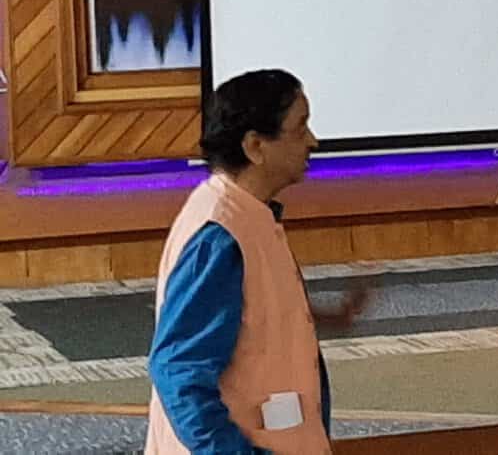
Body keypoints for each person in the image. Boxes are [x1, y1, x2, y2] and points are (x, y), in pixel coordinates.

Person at [146, 69, 366, 454]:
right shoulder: (219, 236)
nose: (313, 141)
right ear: (255, 146)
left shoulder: (246, 216)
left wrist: (326, 317)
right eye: (300, 128)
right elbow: (178, 371)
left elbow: (249, 312)